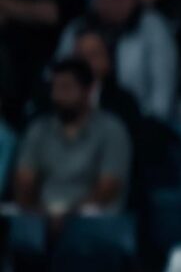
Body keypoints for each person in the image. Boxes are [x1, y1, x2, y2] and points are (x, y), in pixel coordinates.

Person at [10, 58, 131, 218]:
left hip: (94, 219)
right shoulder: (38, 129)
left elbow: (108, 187)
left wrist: (68, 215)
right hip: (42, 215)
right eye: (55, 88)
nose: (58, 95)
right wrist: (40, 212)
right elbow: (24, 179)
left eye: (66, 88)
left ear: (88, 90)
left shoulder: (112, 130)